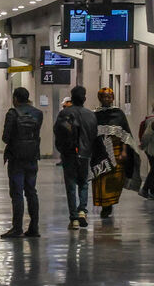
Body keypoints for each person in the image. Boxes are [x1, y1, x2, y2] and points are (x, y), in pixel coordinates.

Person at [90, 87, 139, 219]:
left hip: (116, 152)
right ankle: (105, 206)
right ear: (100, 98)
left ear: (113, 98)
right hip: (100, 153)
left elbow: (125, 134)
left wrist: (124, 151)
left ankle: (110, 204)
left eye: (109, 96)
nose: (107, 99)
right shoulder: (95, 114)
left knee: (115, 180)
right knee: (101, 178)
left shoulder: (119, 114)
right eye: (104, 96)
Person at [1, 86, 43, 238]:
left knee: (17, 193)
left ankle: (17, 228)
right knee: (31, 191)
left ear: (15, 99)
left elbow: (5, 137)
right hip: (32, 157)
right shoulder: (38, 113)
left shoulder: (12, 113)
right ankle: (34, 227)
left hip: (16, 158)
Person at [53, 86, 97, 229]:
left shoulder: (64, 113)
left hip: (69, 154)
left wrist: (62, 149)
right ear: (84, 98)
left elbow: (58, 132)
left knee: (70, 185)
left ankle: (74, 219)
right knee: (84, 183)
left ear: (71, 98)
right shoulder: (91, 115)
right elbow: (94, 135)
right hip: (85, 155)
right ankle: (82, 211)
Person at [140, 109, 154, 198]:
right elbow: (146, 135)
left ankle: (151, 191)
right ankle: (145, 189)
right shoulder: (152, 121)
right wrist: (143, 145)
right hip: (151, 150)